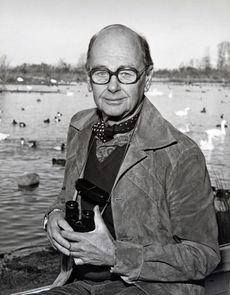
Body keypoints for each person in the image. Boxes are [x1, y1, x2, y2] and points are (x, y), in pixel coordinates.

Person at [42, 24, 220, 295]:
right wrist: (53, 217)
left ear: (146, 78)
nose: (112, 86)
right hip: (78, 284)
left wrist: (115, 255)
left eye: (126, 73)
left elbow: (204, 256)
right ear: (88, 77)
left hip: (152, 288)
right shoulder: (79, 127)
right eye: (101, 73)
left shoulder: (180, 153)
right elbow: (66, 196)